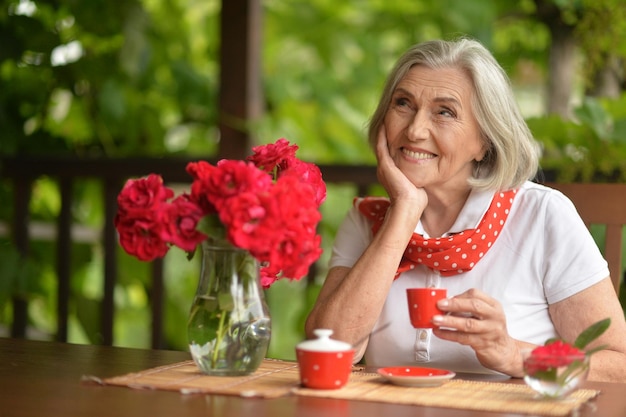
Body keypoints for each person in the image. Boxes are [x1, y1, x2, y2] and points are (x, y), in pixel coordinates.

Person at [304, 38, 626, 381]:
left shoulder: (543, 216)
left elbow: (618, 363)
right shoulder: (368, 220)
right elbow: (331, 348)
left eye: (445, 112)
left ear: (484, 140)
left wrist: (516, 355)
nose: (414, 130)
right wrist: (403, 213)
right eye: (403, 104)